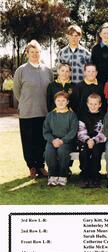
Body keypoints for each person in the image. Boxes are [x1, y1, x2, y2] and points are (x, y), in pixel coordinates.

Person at [13, 40, 53, 178]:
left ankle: (41, 166)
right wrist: (25, 102)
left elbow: (51, 90)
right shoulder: (21, 70)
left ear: (40, 53)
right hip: (27, 113)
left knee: (41, 141)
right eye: (32, 52)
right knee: (28, 141)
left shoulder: (47, 70)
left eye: (37, 52)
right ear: (27, 54)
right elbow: (17, 91)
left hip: (43, 112)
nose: (35, 54)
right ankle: (32, 167)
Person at [43, 91, 78, 186]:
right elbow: (46, 131)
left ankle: (63, 175)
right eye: (58, 100)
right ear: (55, 102)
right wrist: (53, 140)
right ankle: (53, 175)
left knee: (62, 151)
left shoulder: (71, 115)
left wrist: (63, 140)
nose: (61, 103)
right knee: (49, 152)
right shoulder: (50, 115)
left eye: (63, 100)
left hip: (67, 142)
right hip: (52, 141)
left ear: (67, 102)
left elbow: (73, 131)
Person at [77, 93, 106, 188]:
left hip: (98, 141)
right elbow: (81, 132)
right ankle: (85, 175)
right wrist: (87, 140)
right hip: (85, 140)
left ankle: (95, 175)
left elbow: (104, 132)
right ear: (87, 104)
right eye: (91, 104)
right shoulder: (82, 116)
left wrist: (94, 140)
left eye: (95, 104)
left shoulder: (103, 116)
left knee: (96, 151)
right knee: (84, 152)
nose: (93, 106)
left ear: (100, 104)